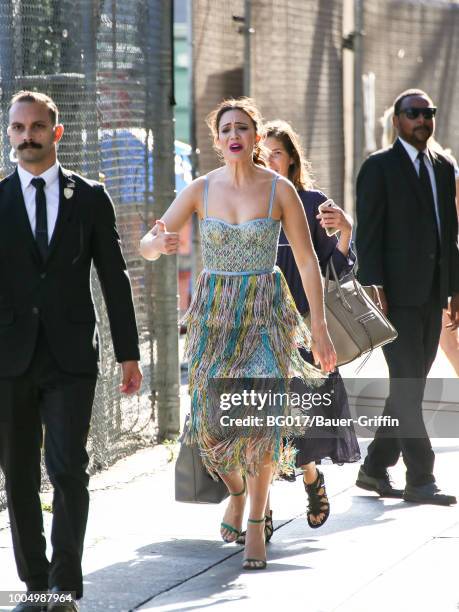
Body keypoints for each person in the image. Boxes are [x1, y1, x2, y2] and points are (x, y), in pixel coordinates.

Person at [140, 97, 336, 570]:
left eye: (243, 127)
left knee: (264, 417)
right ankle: (237, 491)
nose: (235, 134)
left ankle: (255, 524)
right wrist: (156, 244)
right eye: (226, 127)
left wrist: (320, 329)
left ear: (254, 138)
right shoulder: (200, 189)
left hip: (266, 311)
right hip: (215, 316)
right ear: (217, 139)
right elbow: (149, 244)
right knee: (211, 421)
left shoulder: (278, 190)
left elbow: (308, 262)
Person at [0, 91, 142, 612]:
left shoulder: (89, 196)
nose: (26, 136)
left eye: (37, 127)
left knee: (67, 470)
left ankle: (64, 587)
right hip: (9, 359)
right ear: (9, 133)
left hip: (70, 357)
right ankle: (34, 587)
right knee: (17, 475)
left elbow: (114, 274)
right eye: (17, 128)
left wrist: (129, 352)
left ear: (56, 133)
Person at [355, 88, 459, 505]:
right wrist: (372, 286)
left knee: (408, 387)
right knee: (409, 384)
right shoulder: (378, 168)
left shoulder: (443, 166)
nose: (422, 120)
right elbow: (370, 233)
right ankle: (421, 477)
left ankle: (374, 468)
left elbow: (449, 235)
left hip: (432, 294)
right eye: (414, 113)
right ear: (396, 120)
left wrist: (454, 289)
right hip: (393, 297)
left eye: (428, 112)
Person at [262, 119, 360, 530]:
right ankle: (259, 512)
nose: (268, 161)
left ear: (292, 159)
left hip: (302, 328)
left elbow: (334, 271)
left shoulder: (312, 203)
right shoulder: (246, 201)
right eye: (261, 154)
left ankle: (311, 477)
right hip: (256, 325)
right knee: (259, 423)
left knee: (301, 422)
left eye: (276, 153)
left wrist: (346, 231)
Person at [380, 106, 459, 376]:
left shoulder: (442, 167)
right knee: (443, 334)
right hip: (413, 278)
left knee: (446, 331)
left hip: (444, 261)